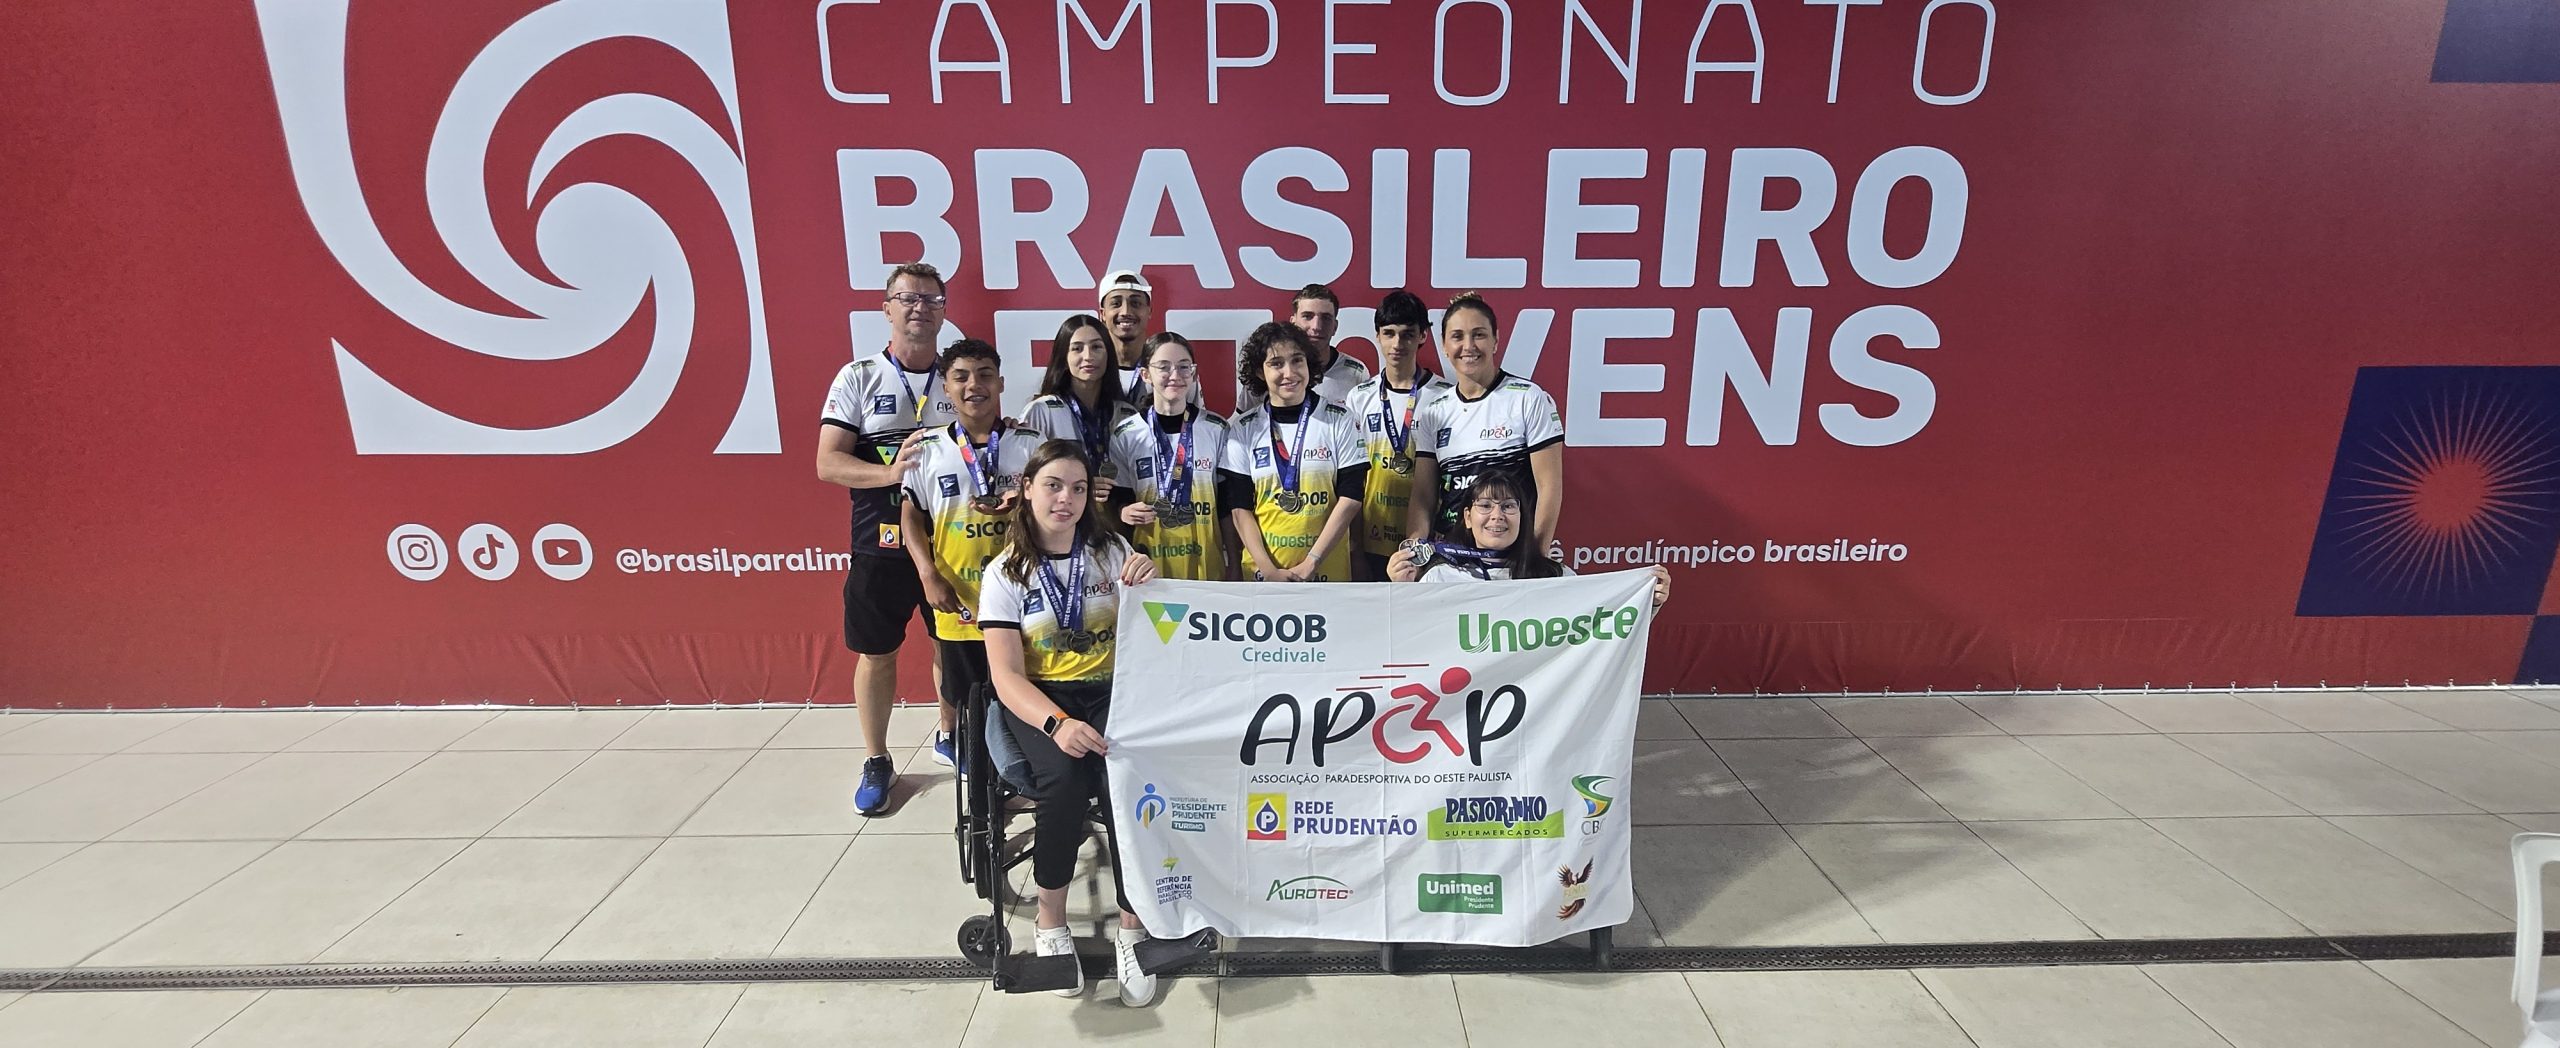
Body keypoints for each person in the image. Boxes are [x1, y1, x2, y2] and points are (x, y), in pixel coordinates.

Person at [976, 439, 1162, 1006]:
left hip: (1110, 691)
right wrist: (1057, 725)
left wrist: (1150, 583)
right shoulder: (1005, 573)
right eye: (1053, 486)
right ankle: (1050, 922)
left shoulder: (1112, 550)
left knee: (1128, 782)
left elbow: (1152, 628)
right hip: (1040, 697)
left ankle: (1134, 926)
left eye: (1078, 489)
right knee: (1062, 782)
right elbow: (1006, 677)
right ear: (1027, 490)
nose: (1066, 499)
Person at [818, 262, 959, 816]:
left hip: (951, 544)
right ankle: (877, 758)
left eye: (931, 299)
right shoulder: (858, 377)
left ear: (944, 311)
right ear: (887, 309)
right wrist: (889, 474)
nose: (920, 307)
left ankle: (950, 734)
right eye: (908, 298)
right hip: (879, 545)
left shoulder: (959, 376)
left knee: (952, 645)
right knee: (878, 654)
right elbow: (828, 463)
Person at [899, 340, 1046, 743]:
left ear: (1001, 383)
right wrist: (927, 574)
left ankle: (1022, 769)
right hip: (959, 598)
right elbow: (910, 515)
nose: (973, 385)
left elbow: (1055, 510)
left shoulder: (1031, 444)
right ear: (945, 387)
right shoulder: (926, 448)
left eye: (984, 375)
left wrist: (1022, 505)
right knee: (969, 702)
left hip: (1025, 595)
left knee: (1025, 696)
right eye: (960, 377)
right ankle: (974, 769)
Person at [1404, 291, 1566, 552]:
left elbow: (1549, 488)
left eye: (1478, 334)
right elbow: (1423, 496)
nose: (1468, 346)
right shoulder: (1434, 411)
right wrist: (1413, 550)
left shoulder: (1528, 398)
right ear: (1444, 345)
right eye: (1457, 336)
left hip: (1512, 557)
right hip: (1453, 556)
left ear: (1495, 340)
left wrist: (1534, 557)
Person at [1390, 469, 1671, 607]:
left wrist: (1650, 603)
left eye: (1508, 506)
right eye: (1485, 506)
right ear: (1467, 517)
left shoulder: (1555, 576)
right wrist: (1400, 592)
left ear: (1523, 516)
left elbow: (1603, 630)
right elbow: (1412, 641)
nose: (1497, 516)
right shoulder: (1439, 577)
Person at [1223, 323, 1367, 582]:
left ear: (1309, 364)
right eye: (1276, 364)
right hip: (1263, 575)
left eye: (1297, 360)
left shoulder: (1340, 419)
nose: (1289, 373)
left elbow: (1351, 497)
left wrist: (1312, 562)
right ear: (1260, 371)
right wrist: (1269, 571)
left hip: (1326, 572)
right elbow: (1239, 508)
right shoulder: (1243, 428)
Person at [1342, 290, 1453, 581]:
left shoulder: (1446, 396)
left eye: (1407, 334)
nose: (1397, 344)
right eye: (1389, 333)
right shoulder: (1359, 397)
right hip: (1371, 536)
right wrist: (1354, 548)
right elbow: (1351, 478)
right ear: (1377, 336)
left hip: (1429, 542)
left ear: (1423, 335)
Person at [1107, 333, 1236, 581]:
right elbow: (1117, 499)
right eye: (1164, 367)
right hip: (1148, 569)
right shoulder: (1126, 434)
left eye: (1183, 367)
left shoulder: (1216, 428)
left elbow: (1227, 505)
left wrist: (1234, 560)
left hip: (1206, 567)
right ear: (1146, 374)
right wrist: (1123, 511)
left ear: (1194, 374)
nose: (1175, 375)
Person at [1021, 315, 1137, 511]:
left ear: (1109, 354)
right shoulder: (1042, 411)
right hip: (1062, 517)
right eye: (1077, 348)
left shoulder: (1127, 414)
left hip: (1116, 520)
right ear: (1063, 357)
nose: (1088, 356)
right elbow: (1026, 479)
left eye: (1097, 347)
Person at [1236, 283, 1371, 413]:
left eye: (1326, 318)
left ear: (1335, 327)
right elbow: (1246, 423)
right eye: (1307, 316)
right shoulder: (1266, 368)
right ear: (1293, 322)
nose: (1316, 326)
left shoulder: (1356, 372)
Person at [1098, 268, 1198, 410]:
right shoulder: (1090, 368)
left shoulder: (1176, 370)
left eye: (1135, 303)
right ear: (1102, 314)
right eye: (1116, 303)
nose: (1126, 312)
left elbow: (1196, 421)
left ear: (1149, 311)